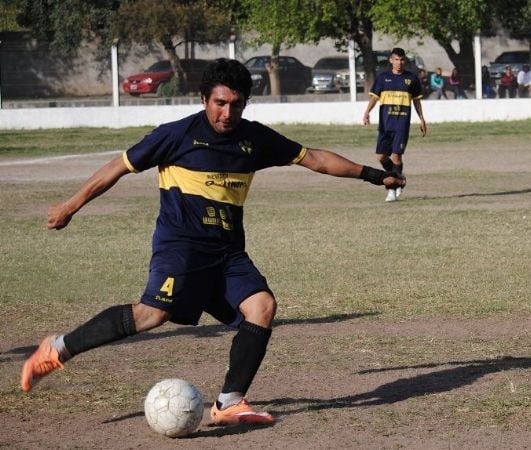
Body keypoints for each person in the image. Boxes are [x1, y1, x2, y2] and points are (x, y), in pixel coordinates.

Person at [19, 59, 406, 426]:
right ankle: (57, 348)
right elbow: (117, 167)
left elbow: (315, 159)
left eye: (236, 105)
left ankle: (229, 402)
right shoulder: (177, 135)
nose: (227, 113)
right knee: (152, 315)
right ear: (204, 100)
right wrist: (71, 205)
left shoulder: (255, 139)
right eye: (220, 103)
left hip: (227, 252)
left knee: (261, 307)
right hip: (181, 245)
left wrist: (373, 175)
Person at [362, 47, 427, 202]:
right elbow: (374, 97)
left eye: (402, 60)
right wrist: (367, 112)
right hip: (385, 124)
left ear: (405, 61)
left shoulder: (411, 79)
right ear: (391, 60)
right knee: (381, 156)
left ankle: (393, 189)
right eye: (396, 59)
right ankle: (399, 178)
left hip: (401, 124)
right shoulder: (383, 78)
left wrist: (422, 118)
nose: (399, 63)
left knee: (396, 155)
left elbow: (416, 100)